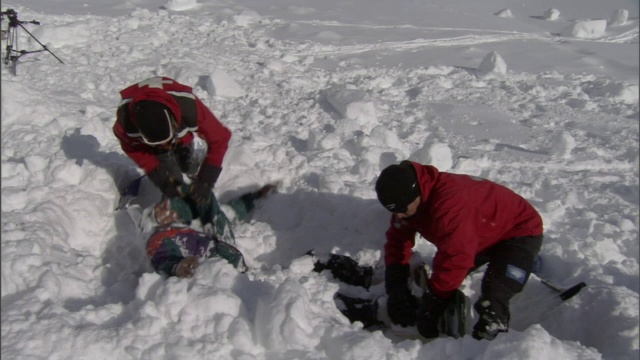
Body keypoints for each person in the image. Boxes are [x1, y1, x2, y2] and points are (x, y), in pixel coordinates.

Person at [374, 160, 543, 341]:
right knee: (441, 276)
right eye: (393, 211)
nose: (398, 215)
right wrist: (395, 285)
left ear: (417, 195)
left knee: (494, 294)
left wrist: (433, 306)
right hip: (478, 233)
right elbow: (397, 241)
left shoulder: (449, 207)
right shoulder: (408, 203)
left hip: (518, 231)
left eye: (401, 209)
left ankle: (491, 341)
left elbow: (456, 258)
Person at [113, 76, 231, 210]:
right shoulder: (125, 124)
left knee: (186, 165)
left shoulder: (190, 108)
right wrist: (157, 174)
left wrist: (206, 181)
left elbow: (220, 138)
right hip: (148, 122)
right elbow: (134, 149)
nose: (167, 146)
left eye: (168, 141)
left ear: (174, 123)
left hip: (176, 111)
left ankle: (187, 154)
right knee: (168, 169)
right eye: (159, 143)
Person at [141, 184, 276, 278]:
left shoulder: (214, 219)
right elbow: (162, 257)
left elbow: (233, 211)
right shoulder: (167, 235)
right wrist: (177, 268)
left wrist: (257, 195)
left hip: (242, 274)